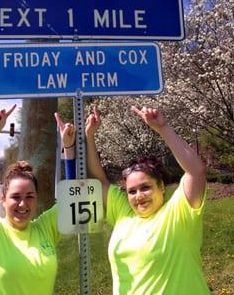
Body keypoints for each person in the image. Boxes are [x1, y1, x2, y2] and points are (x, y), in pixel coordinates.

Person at [86, 105, 210, 294]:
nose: (139, 196)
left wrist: (163, 128)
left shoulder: (177, 215)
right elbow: (100, 182)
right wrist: (90, 136)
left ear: (161, 187)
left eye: (145, 187)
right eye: (132, 191)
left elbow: (196, 171)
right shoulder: (123, 216)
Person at [0, 105, 75, 295]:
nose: (23, 204)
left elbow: (73, 195)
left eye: (29, 197)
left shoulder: (45, 229)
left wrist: (68, 147)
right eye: (15, 197)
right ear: (3, 199)